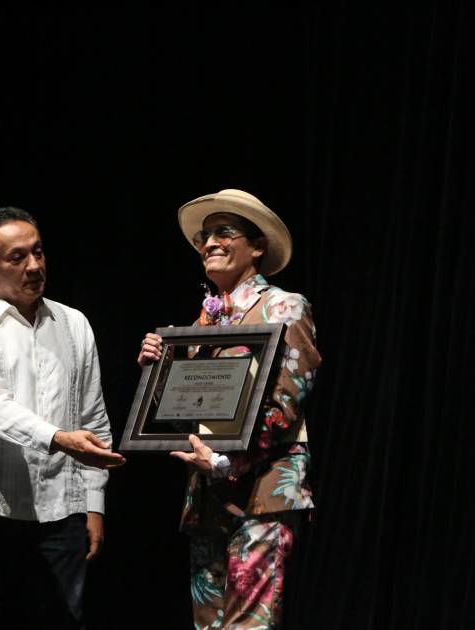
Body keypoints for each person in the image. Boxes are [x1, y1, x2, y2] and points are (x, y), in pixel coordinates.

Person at [138, 189, 322, 629]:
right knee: (208, 625)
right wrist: (157, 371)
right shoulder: (202, 323)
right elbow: (186, 412)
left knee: (249, 626)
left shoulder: (283, 306)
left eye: (224, 232)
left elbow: (286, 400)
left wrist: (224, 462)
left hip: (261, 492)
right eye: (204, 236)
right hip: (208, 499)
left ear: (257, 246)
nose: (209, 243)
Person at [0, 206, 126, 629]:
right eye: (17, 257)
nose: (34, 266)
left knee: (62, 621)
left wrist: (93, 504)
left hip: (61, 508)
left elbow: (92, 415)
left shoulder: (73, 323)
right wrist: (59, 438)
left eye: (38, 252)